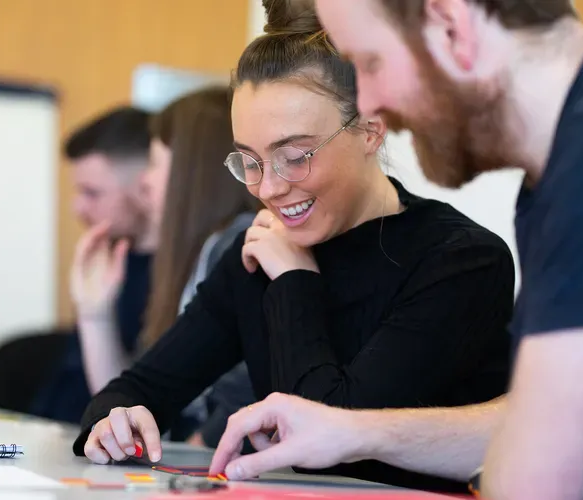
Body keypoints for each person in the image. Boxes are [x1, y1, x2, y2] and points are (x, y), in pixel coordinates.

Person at [73, 0, 515, 492]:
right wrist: (117, 422)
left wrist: (295, 280)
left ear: (370, 130)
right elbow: (138, 388)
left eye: (294, 157)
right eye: (250, 162)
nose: (269, 188)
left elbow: (334, 441)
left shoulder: (461, 261)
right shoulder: (262, 250)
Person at [212, 0, 583, 499]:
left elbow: (541, 476)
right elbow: (552, 418)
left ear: (451, 22)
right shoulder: (549, 183)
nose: (369, 103)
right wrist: (351, 432)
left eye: (370, 63)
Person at [72, 86, 258, 445]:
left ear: (196, 172)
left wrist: (196, 450)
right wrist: (94, 312)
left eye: (156, 163)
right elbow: (132, 405)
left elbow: (249, 387)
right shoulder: (193, 256)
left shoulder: (239, 244)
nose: (144, 181)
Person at [0, 106, 153, 422]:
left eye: (93, 193)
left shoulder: (170, 276)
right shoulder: (114, 257)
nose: (79, 208)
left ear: (145, 186)